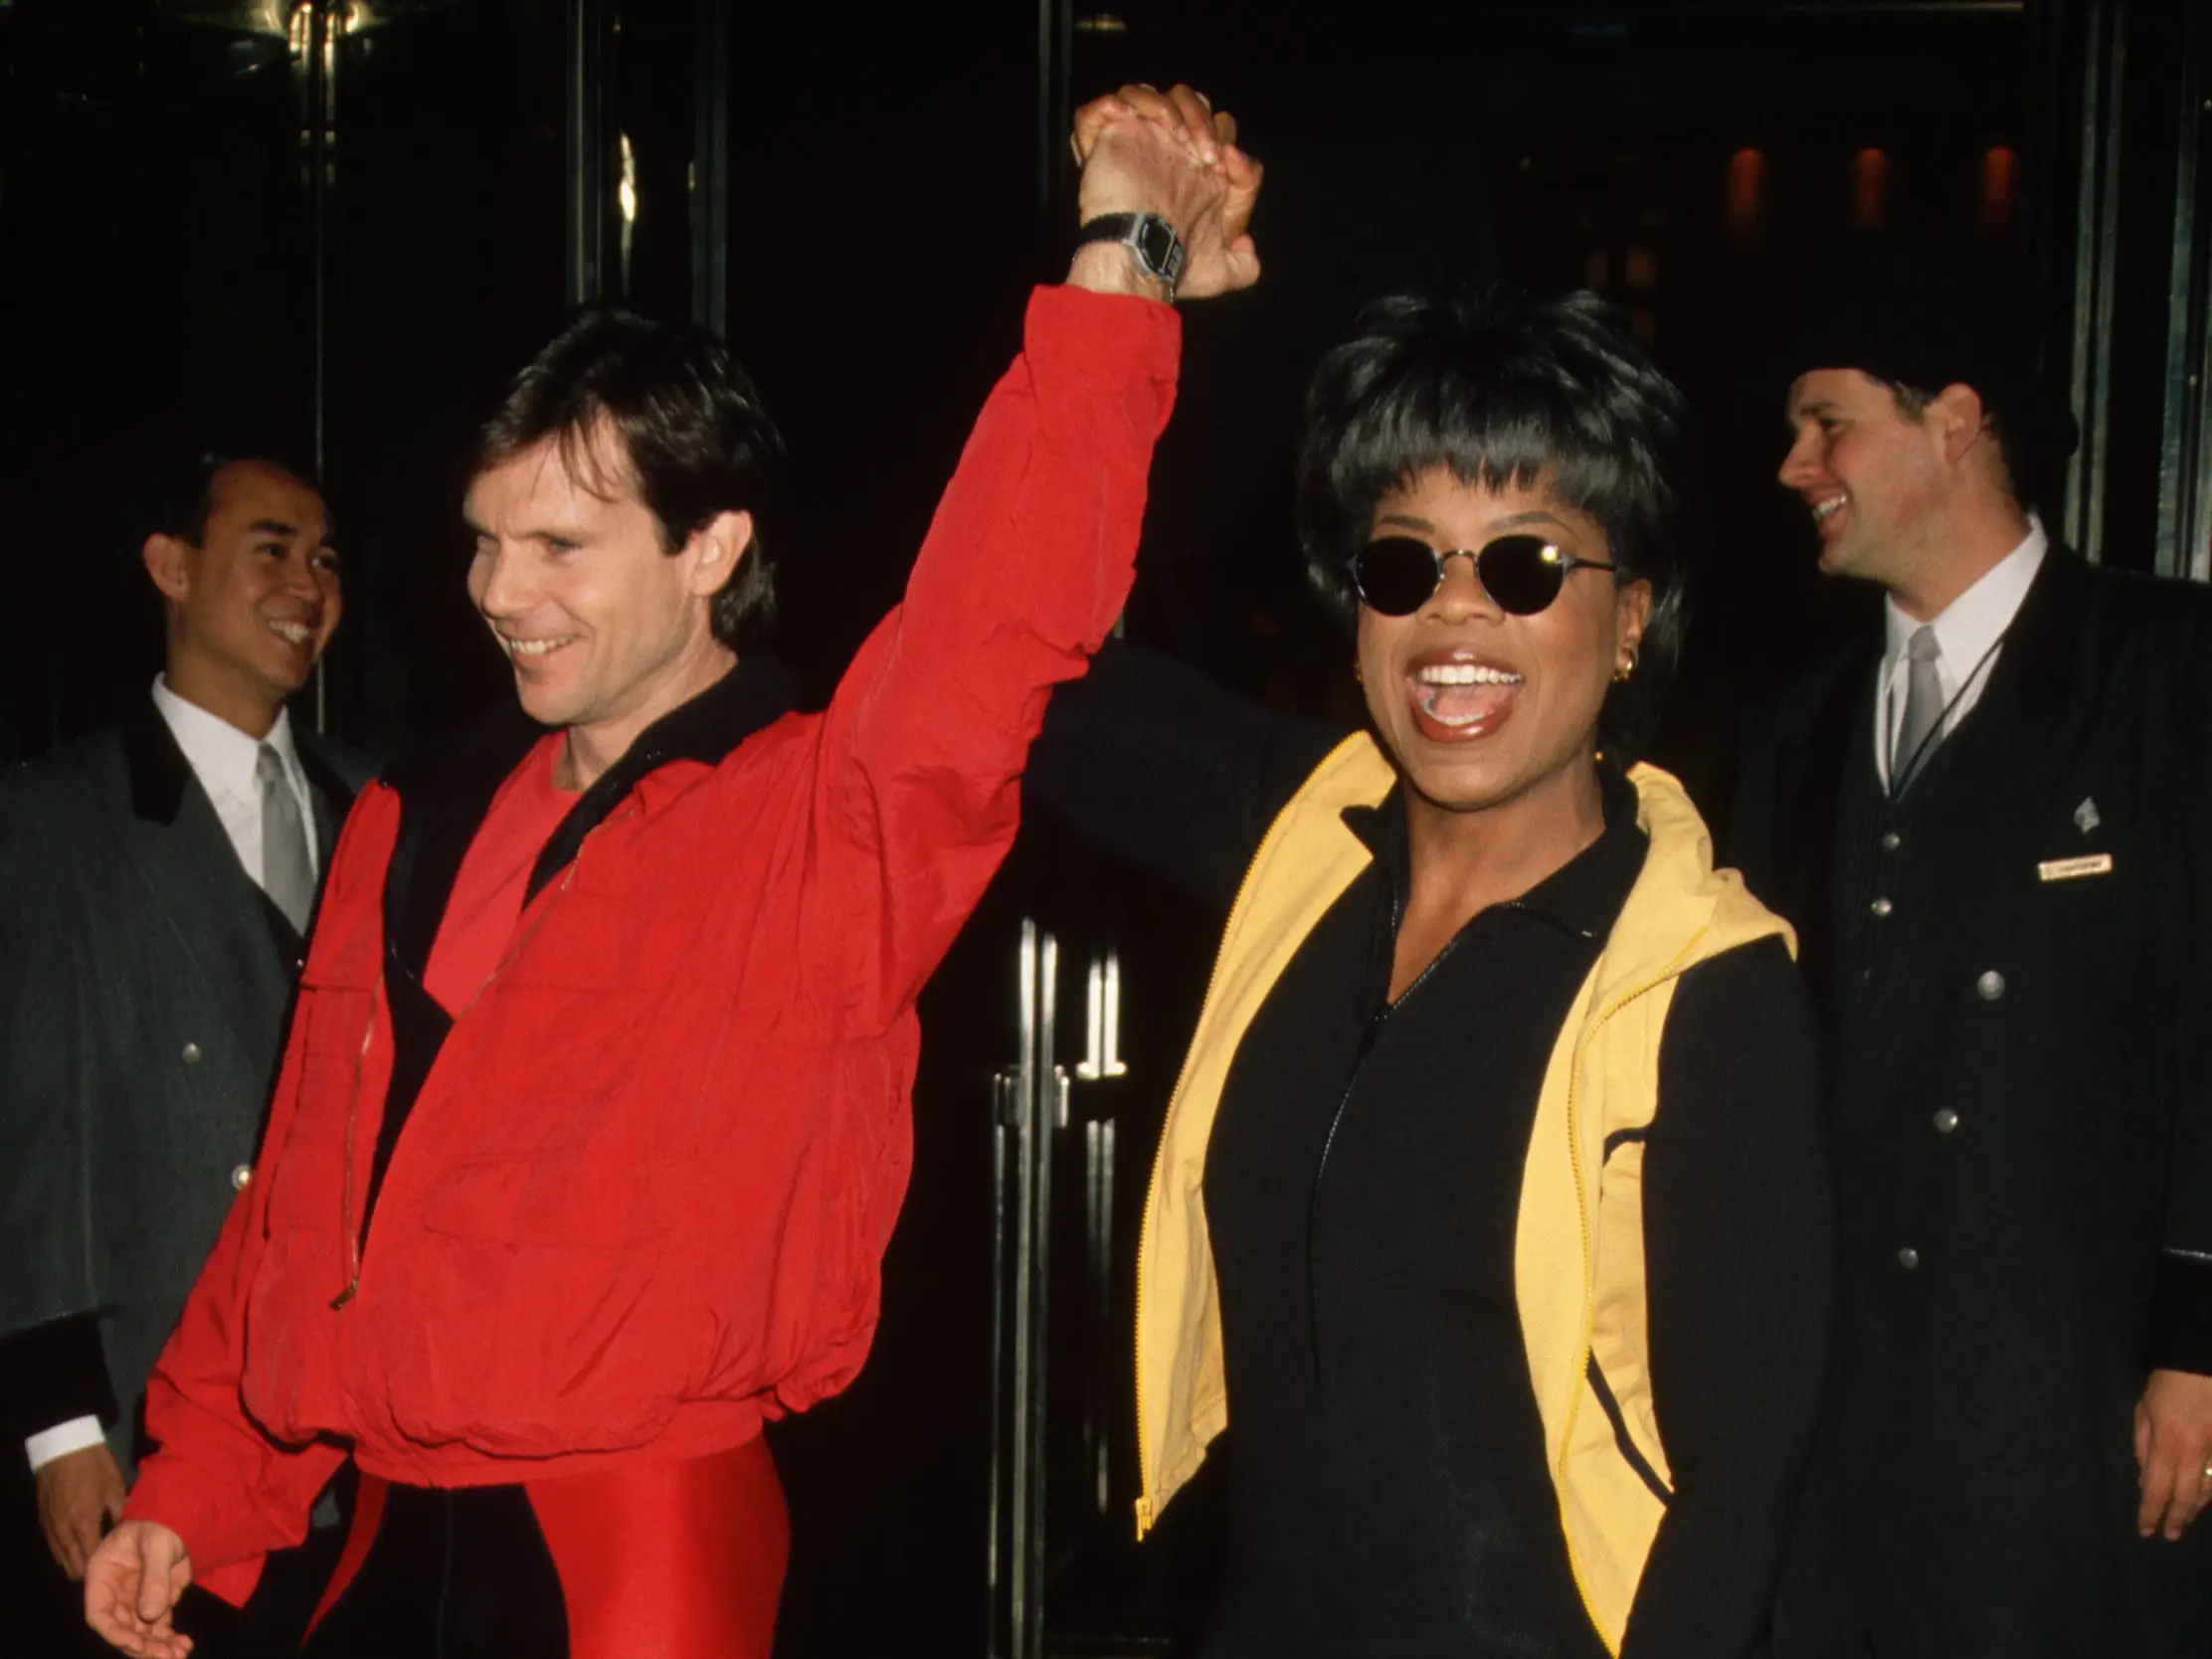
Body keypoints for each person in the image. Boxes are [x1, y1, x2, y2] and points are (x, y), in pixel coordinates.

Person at [79, 86, 1261, 1659]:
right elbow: (301, 1203)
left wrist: (1124, 256)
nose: (502, 594)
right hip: (376, 1544)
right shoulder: (406, 812)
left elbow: (1006, 603)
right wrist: (195, 1492)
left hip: (630, 1559)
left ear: (712, 548)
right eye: (485, 541)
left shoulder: (821, 820)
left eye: (563, 545)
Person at [1031, 96, 1830, 1656]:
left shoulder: (1706, 995)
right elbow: (1020, 669)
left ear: (1628, 618)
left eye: (1526, 563)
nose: (1455, 616)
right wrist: (1122, 269)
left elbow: (1736, 1515)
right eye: (1404, 562)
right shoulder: (1302, 845)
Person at [1732, 240, 2212, 1658]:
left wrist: (2199, 1338)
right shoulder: (1795, 730)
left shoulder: (2167, 675)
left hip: (2077, 1394)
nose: (1793, 466)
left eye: (1828, 424)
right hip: (1849, 1420)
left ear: (1955, 421)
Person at [0, 453, 369, 1652]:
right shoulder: (56, 817)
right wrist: (63, 1432)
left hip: (355, 1434)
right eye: (271, 548)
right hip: (159, 1436)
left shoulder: (375, 805)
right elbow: (32, 1142)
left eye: (324, 561)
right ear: (171, 567)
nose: (307, 586)